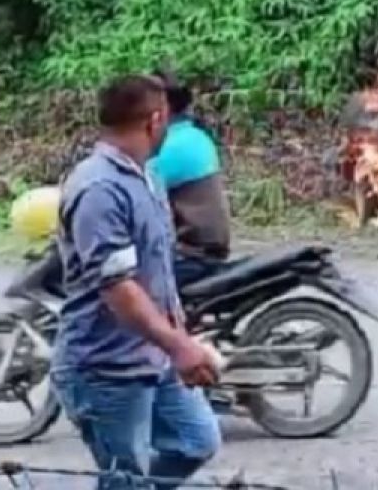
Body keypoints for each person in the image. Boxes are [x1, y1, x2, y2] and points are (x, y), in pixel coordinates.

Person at [51, 74, 222, 490]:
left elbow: (157, 269)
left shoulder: (146, 176)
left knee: (196, 441)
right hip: (106, 368)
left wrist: (179, 335)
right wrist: (179, 346)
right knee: (124, 479)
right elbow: (118, 287)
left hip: (153, 357)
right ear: (155, 119)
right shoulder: (100, 188)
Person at [149, 70, 232, 287]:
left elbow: (135, 188)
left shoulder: (173, 145)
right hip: (206, 249)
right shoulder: (194, 135)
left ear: (162, 108)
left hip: (191, 253)